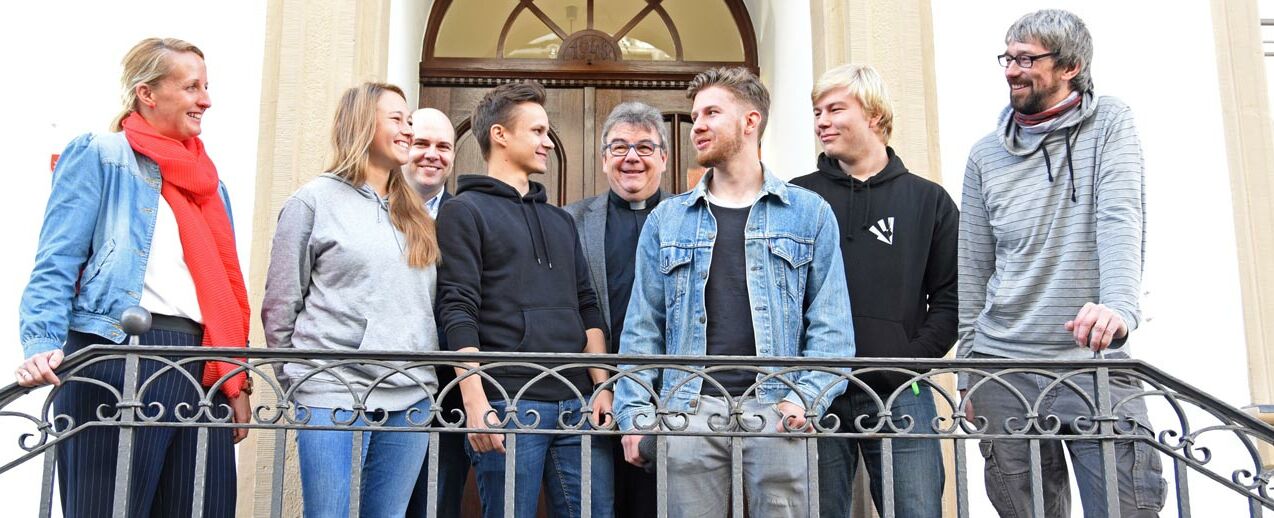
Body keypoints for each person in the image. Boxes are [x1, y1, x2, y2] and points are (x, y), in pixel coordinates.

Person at [17, 37, 249, 517]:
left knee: (203, 508)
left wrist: (236, 379)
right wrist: (41, 341)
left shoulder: (211, 183)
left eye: (206, 86)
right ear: (147, 93)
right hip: (117, 359)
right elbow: (56, 260)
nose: (206, 99)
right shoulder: (101, 155)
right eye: (191, 87)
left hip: (201, 364)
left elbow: (221, 289)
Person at [613, 66, 854, 518]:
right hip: (687, 414)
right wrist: (635, 415)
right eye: (695, 114)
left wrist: (801, 401)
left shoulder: (807, 214)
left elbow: (832, 329)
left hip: (778, 414)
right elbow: (642, 327)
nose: (697, 124)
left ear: (750, 121)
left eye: (711, 113)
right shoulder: (667, 220)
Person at [957, 9, 1165, 517]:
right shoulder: (985, 155)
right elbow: (974, 264)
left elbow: (1120, 216)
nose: (1011, 69)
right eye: (1007, 57)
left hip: (1093, 364)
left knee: (1128, 507)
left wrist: (1119, 307)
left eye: (1026, 58)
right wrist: (967, 370)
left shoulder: (1110, 122)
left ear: (1070, 65)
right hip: (1002, 369)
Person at [436, 81, 614, 518]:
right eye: (536, 131)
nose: (546, 143)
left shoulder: (560, 220)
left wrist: (602, 387)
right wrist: (474, 401)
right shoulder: (463, 211)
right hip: (509, 403)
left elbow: (587, 305)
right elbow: (457, 308)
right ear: (500, 135)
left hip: (577, 405)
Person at [262, 82, 440, 518]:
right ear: (362, 124)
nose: (407, 130)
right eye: (397, 119)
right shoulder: (312, 202)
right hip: (332, 390)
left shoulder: (413, 209)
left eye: (409, 120)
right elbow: (280, 304)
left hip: (411, 394)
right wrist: (300, 382)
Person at [792, 63, 958, 517]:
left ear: (874, 116)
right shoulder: (795, 198)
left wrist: (907, 363)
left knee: (916, 510)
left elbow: (950, 300)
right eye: (816, 111)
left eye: (835, 109)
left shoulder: (929, 200)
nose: (822, 120)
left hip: (902, 394)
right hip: (814, 393)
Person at [563, 101, 667, 518]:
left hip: (668, 400)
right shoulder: (570, 221)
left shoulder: (691, 218)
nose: (631, 158)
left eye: (644, 147)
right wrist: (599, 383)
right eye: (620, 146)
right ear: (604, 158)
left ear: (663, 157)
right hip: (595, 397)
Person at [401, 107, 466, 518]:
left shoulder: (466, 217)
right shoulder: (374, 209)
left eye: (443, 146)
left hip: (448, 389)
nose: (432, 155)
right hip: (386, 381)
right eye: (421, 144)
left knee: (438, 503)